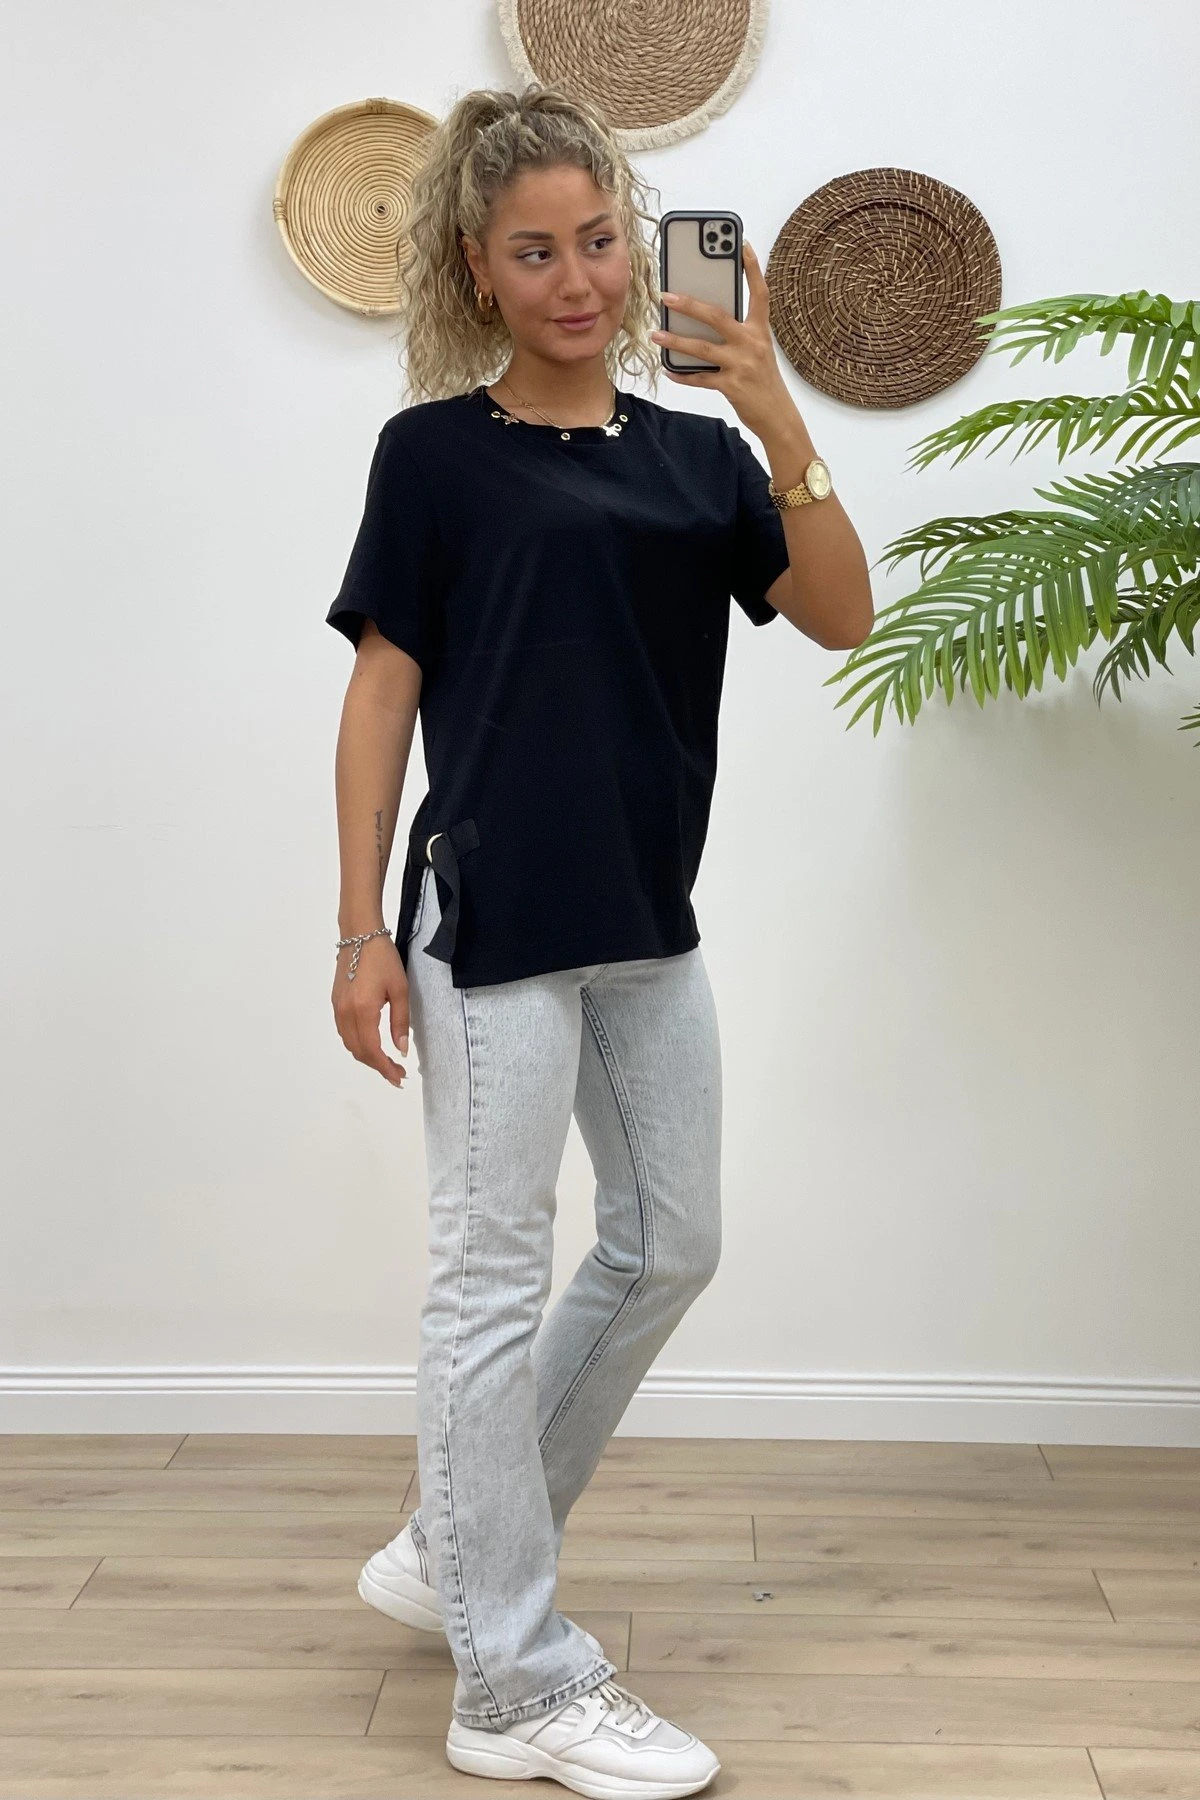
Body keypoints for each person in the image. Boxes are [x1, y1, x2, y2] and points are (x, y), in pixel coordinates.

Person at [326, 81, 872, 1800]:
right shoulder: (434, 456)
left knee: (668, 1242)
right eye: (533, 252)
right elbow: (382, 694)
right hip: (487, 917)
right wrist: (354, 931)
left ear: (637, 249)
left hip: (643, 915)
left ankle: (453, 1547)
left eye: (597, 241)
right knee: (489, 1276)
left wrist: (773, 409)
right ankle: (512, 1684)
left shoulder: (697, 459)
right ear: (476, 270)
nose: (577, 279)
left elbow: (843, 614)